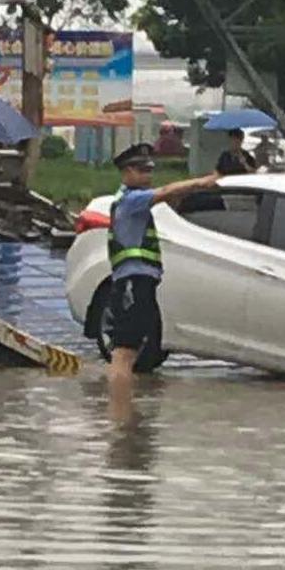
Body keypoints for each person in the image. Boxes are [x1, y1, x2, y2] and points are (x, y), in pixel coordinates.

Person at [107, 143, 219, 414]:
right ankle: (119, 419)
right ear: (127, 172)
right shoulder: (131, 201)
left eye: (150, 170)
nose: (148, 176)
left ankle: (123, 416)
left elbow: (170, 198)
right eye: (143, 170)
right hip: (132, 282)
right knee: (124, 353)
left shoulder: (133, 201)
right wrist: (203, 181)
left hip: (139, 282)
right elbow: (168, 191)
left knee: (129, 353)